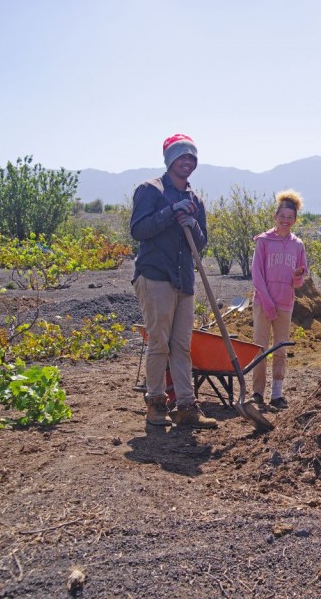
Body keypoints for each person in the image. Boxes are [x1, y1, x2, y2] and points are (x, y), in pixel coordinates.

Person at [130, 134, 217, 428]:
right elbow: (139, 230)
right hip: (155, 276)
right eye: (182, 157)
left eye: (192, 157)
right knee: (159, 343)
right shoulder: (150, 191)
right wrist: (170, 213)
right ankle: (156, 404)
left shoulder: (195, 199)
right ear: (169, 160)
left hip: (184, 279)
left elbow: (201, 245)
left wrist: (193, 225)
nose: (188, 162)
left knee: (182, 345)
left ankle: (186, 406)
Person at [251, 190, 308, 409]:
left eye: (290, 218)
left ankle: (277, 394)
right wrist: (266, 301)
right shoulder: (264, 241)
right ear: (275, 216)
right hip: (263, 302)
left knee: (280, 349)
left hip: (285, 303)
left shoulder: (298, 245)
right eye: (282, 216)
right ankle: (257, 393)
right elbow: (257, 274)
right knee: (260, 347)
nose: (285, 221)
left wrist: (296, 277)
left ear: (295, 220)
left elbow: (300, 281)